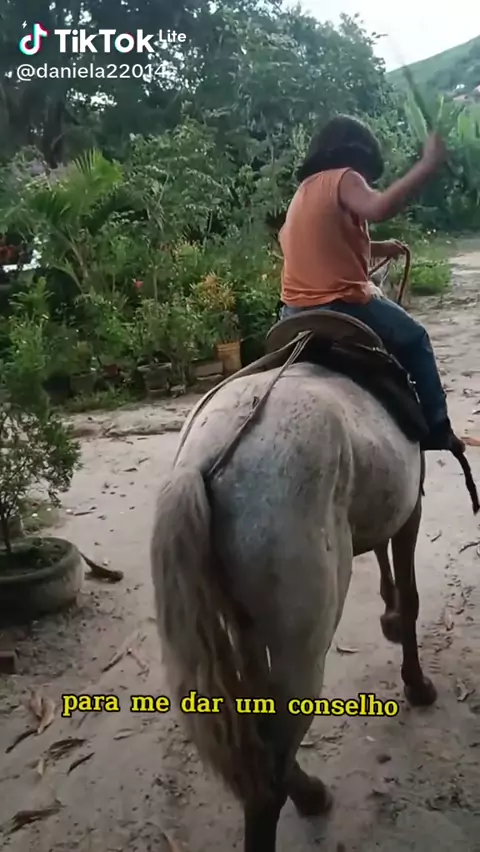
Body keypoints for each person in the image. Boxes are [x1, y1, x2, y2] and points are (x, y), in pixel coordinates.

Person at [278, 115, 464, 454]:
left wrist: (379, 247)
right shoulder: (345, 177)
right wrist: (427, 165)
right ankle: (438, 428)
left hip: (292, 312)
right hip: (339, 305)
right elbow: (378, 208)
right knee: (416, 339)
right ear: (358, 156)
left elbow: (324, 243)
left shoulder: (304, 192)